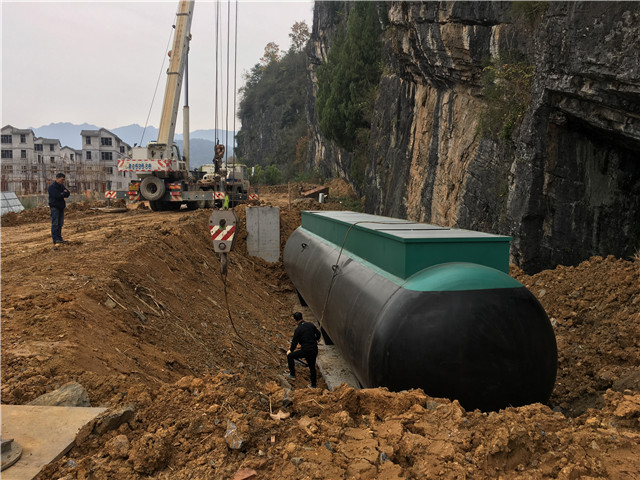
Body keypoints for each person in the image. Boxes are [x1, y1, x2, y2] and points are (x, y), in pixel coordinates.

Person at [285, 312, 321, 388]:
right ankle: (313, 385)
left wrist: (291, 350)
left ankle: (292, 374)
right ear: (302, 317)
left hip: (306, 350)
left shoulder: (298, 330)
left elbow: (294, 342)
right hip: (314, 349)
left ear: (295, 320)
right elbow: (318, 334)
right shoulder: (310, 325)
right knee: (312, 367)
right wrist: (316, 339)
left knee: (290, 356)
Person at [48, 173, 70, 245]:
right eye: (62, 179)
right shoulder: (52, 187)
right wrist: (63, 193)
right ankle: (55, 239)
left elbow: (68, 193)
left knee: (60, 223)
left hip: (61, 207)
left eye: (64, 180)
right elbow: (57, 195)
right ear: (57, 178)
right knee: (55, 223)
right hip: (54, 207)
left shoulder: (62, 186)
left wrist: (63, 193)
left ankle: (59, 238)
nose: (63, 181)